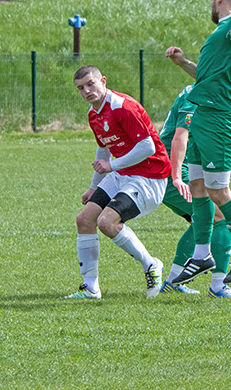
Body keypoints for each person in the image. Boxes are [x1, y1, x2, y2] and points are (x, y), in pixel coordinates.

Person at [166, 0, 231, 289]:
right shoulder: (219, 34)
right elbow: (205, 78)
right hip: (204, 115)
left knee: (219, 191)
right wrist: (183, 63)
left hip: (221, 119)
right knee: (197, 187)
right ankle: (202, 254)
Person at [65, 65, 169, 299]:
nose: (87, 91)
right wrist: (94, 186)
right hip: (123, 174)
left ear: (103, 80)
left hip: (149, 175)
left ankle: (151, 264)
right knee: (84, 220)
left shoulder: (123, 107)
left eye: (91, 84)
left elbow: (148, 147)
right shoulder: (94, 114)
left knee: (107, 222)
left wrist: (112, 166)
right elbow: (104, 149)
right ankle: (91, 288)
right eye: (81, 88)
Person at [159, 83, 231, 299]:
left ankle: (173, 281)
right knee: (221, 216)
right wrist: (177, 177)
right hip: (171, 172)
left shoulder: (197, 89)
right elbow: (179, 137)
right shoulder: (198, 96)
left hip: (165, 172)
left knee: (199, 222)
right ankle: (219, 285)